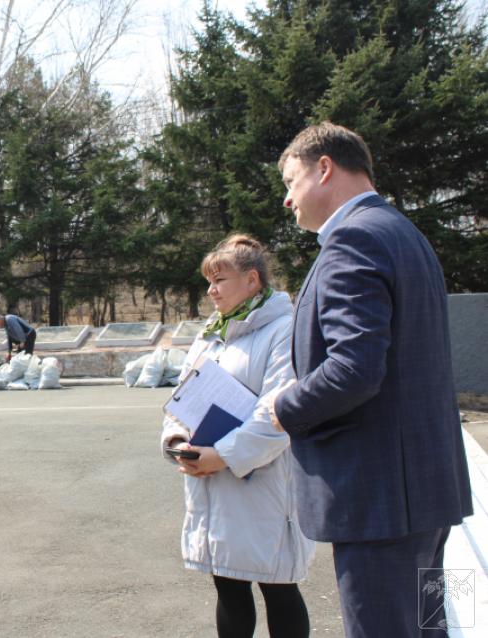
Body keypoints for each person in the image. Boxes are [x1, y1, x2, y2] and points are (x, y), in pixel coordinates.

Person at [271, 122, 473, 637]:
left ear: (324, 168)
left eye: (291, 183)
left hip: (381, 506)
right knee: (430, 627)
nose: (287, 200)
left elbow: (354, 368)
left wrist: (285, 407)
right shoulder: (403, 232)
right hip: (426, 496)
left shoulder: (353, 239)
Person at [160, 234, 315, 638]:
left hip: (263, 483)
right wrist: (178, 444)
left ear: (252, 281)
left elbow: (279, 412)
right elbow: (182, 400)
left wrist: (223, 455)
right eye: (208, 282)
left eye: (220, 280)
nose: (211, 290)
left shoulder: (284, 330)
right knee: (228, 585)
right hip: (212, 482)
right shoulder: (211, 333)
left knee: (278, 586)